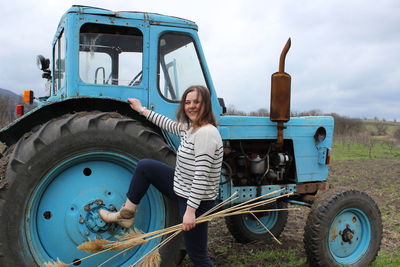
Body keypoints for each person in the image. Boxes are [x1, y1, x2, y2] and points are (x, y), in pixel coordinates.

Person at [99, 85, 223, 266]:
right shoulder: (192, 128)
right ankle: (127, 213)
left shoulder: (206, 134)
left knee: (198, 255)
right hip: (181, 186)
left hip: (194, 200)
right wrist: (141, 110)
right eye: (187, 102)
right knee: (145, 167)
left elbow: (201, 177)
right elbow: (169, 125)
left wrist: (190, 212)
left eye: (196, 102)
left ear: (205, 104)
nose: (191, 106)